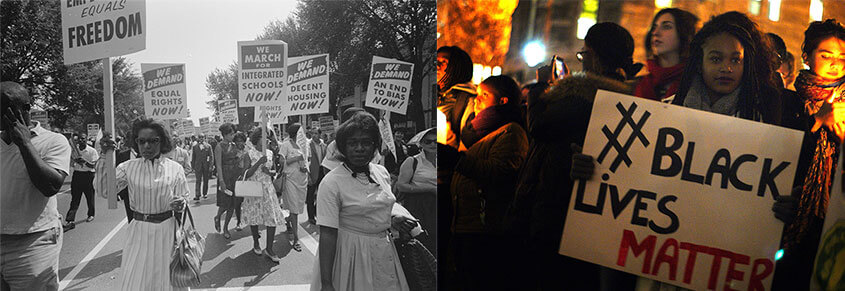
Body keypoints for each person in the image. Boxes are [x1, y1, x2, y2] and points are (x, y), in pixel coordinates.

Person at [507, 22, 647, 290]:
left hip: (557, 210)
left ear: (594, 55)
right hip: (593, 221)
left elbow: (540, 126)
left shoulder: (581, 96)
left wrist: (540, 87)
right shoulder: (628, 97)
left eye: (583, 54)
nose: (582, 61)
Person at [774, 18, 845, 291]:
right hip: (787, 221)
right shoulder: (788, 102)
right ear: (807, 57)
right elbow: (780, 148)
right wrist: (817, 121)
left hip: (831, 227)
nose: (835, 64)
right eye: (826, 55)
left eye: (842, 57)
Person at [311, 112, 418, 291]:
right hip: (350, 256)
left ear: (374, 146)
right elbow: (328, 234)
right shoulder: (331, 182)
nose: (359, 148)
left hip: (384, 250)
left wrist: (392, 221)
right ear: (343, 148)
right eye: (352, 143)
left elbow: (376, 207)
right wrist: (327, 283)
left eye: (366, 143)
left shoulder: (381, 172)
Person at [441, 75, 528, 290]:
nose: (477, 100)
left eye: (485, 95)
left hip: (487, 229)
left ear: (503, 101)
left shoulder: (510, 132)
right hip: (465, 224)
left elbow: (500, 171)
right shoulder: (476, 135)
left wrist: (456, 160)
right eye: (477, 95)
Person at [94, 117, 189, 291]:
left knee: (167, 281)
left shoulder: (175, 168)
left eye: (153, 141)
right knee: (136, 280)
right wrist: (103, 156)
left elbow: (183, 196)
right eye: (141, 141)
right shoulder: (127, 167)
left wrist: (180, 202)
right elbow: (105, 191)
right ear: (136, 142)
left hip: (167, 231)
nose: (146, 146)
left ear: (162, 142)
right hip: (139, 231)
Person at [1, 82, 70, 291]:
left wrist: (24, 143)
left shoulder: (53, 141)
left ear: (25, 109)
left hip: (33, 243)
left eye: (6, 109)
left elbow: (50, 186)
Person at [241, 128, 287, 263]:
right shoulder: (248, 154)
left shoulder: (270, 153)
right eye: (263, 137)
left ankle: (269, 248)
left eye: (267, 137)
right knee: (254, 218)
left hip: (268, 189)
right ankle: (256, 242)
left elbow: (273, 172)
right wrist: (258, 163)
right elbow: (246, 174)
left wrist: (271, 172)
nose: (266, 140)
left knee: (271, 218)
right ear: (256, 139)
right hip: (254, 189)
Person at [634, 8, 699, 101]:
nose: (655, 33)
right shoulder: (639, 84)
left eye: (666, 27)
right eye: (654, 27)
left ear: (685, 33)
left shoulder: (696, 86)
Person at [394, 127, 437, 253]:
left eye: (436, 141)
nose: (433, 144)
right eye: (428, 141)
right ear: (421, 144)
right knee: (423, 241)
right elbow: (401, 185)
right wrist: (430, 189)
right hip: (419, 206)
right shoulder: (412, 161)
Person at [437, 46, 477, 150]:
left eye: (444, 62)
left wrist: (451, 142)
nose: (437, 66)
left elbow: (467, 142)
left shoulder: (467, 99)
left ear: (457, 68)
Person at [280, 123, 309, 252]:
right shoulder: (286, 145)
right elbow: (281, 162)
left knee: (296, 208)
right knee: (294, 210)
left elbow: (308, 160)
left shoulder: (305, 145)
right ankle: (297, 239)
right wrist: (296, 158)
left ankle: (288, 220)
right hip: (290, 180)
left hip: (302, 181)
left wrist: (305, 167)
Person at [64, 132, 99, 231]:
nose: (81, 140)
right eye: (79, 139)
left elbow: (93, 165)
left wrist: (83, 161)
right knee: (75, 198)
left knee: (90, 197)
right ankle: (70, 219)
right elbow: (71, 164)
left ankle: (91, 214)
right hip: (77, 175)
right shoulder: (75, 151)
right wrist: (74, 161)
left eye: (83, 139)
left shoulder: (92, 151)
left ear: (86, 139)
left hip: (88, 176)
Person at [214, 123, 243, 239]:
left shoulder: (235, 146)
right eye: (231, 134)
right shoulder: (219, 147)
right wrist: (221, 181)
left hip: (234, 176)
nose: (233, 136)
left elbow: (238, 161)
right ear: (225, 135)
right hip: (225, 176)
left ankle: (225, 227)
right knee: (225, 203)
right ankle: (218, 216)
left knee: (233, 204)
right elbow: (219, 165)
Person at [307, 126, 326, 225]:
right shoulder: (308, 145)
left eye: (316, 133)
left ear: (319, 134)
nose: (314, 135)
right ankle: (310, 217)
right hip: (312, 173)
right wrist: (308, 175)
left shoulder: (323, 145)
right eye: (312, 133)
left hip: (322, 172)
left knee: (321, 195)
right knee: (310, 196)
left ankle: (317, 212)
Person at [192, 134, 213, 201]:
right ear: (198, 138)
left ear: (204, 138)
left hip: (206, 166)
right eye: (200, 137)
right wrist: (193, 166)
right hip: (198, 166)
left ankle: (205, 193)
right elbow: (193, 157)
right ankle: (197, 194)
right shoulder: (195, 146)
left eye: (202, 137)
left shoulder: (208, 146)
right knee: (198, 180)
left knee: (205, 180)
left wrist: (210, 165)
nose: (201, 138)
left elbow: (211, 156)